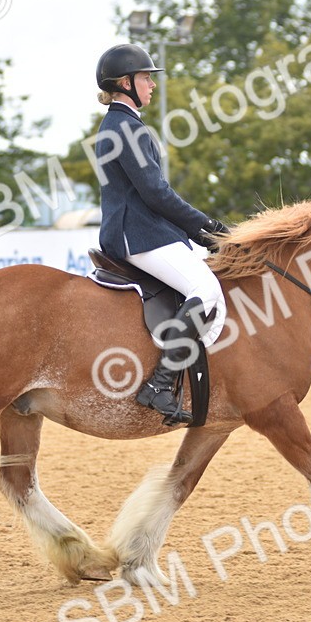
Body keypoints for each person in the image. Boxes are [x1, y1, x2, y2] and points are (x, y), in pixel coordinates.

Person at [93, 43, 229, 426]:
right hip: (136, 235)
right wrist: (207, 227)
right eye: (145, 78)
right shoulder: (124, 128)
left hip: (142, 231)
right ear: (125, 83)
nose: (152, 85)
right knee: (205, 292)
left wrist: (200, 232)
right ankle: (159, 385)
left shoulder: (122, 125)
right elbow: (156, 194)